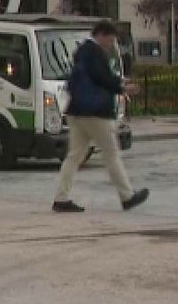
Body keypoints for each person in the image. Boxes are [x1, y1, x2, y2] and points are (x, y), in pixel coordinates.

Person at [53, 20, 150, 213]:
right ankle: (127, 196)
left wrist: (117, 82)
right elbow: (102, 77)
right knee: (111, 154)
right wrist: (122, 87)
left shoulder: (82, 51)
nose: (111, 44)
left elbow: (91, 77)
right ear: (102, 35)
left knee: (75, 155)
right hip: (96, 113)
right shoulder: (95, 52)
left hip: (76, 110)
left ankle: (61, 198)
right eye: (111, 40)